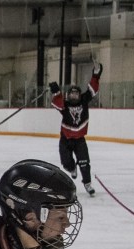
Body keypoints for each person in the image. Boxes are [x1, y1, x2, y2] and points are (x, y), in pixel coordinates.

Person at [48, 62, 102, 197]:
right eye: (71, 94)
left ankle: (88, 183)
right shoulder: (64, 105)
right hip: (65, 139)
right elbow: (56, 102)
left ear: (79, 95)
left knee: (84, 162)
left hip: (80, 140)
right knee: (66, 162)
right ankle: (72, 168)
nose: (74, 96)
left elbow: (93, 89)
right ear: (68, 95)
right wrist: (56, 91)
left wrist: (96, 74)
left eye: (76, 94)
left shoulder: (84, 100)